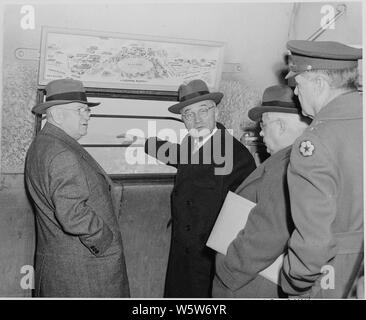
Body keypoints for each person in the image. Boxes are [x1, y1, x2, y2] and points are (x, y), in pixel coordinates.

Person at [144, 79, 256, 297]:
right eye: (188, 114)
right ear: (183, 119)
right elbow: (178, 156)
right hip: (182, 248)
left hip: (209, 256)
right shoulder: (190, 144)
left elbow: (245, 216)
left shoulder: (238, 156)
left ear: (215, 111)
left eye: (203, 111)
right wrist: (146, 143)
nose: (196, 120)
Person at [25, 79, 130, 297]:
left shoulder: (44, 144)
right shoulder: (62, 153)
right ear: (57, 115)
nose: (88, 115)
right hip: (82, 270)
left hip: (61, 264)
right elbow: (73, 214)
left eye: (87, 110)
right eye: (80, 110)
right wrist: (105, 241)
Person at [280, 40, 363, 298]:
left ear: (319, 84)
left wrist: (292, 281)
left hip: (337, 276)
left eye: (298, 85)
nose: (295, 94)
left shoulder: (314, 143)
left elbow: (314, 245)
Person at [213, 85, 310, 298]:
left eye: (264, 125)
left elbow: (267, 236)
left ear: (281, 126)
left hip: (251, 284)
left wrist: (228, 270)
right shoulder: (300, 162)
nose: (260, 133)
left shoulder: (284, 168)